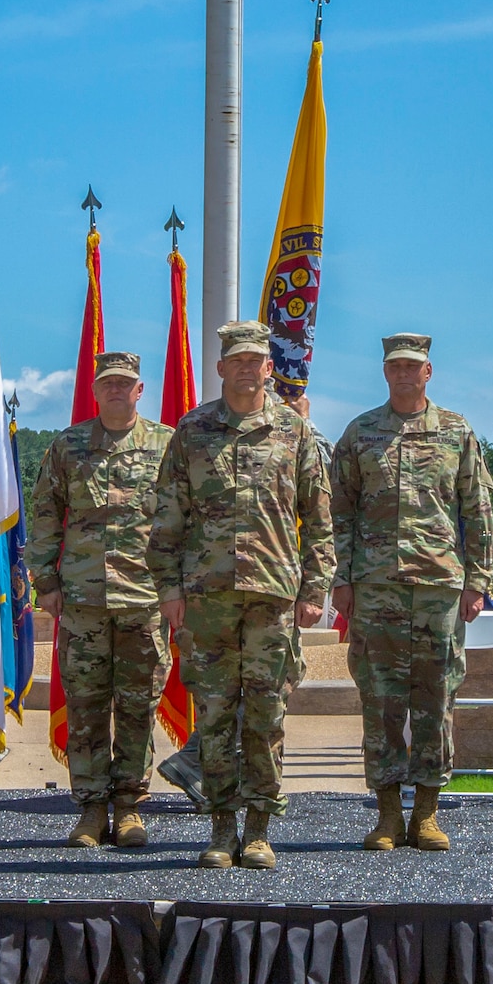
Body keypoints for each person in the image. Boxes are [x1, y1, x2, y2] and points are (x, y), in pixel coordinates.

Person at [148, 321, 334, 869]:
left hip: (273, 596)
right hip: (206, 598)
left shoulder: (293, 432)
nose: (248, 368)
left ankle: (258, 828)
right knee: (214, 712)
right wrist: (168, 589)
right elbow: (167, 519)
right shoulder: (193, 430)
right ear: (222, 368)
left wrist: (314, 586)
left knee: (266, 713)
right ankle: (220, 826)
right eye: (238, 360)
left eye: (257, 359)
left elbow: (319, 517)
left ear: (269, 368)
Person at [330, 333, 493, 851]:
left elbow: (478, 511)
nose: (404, 374)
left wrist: (479, 580)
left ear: (429, 373)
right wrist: (342, 577)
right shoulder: (360, 434)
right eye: (395, 367)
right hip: (376, 587)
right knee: (380, 702)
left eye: (413, 367)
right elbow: (337, 513)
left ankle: (426, 814)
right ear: (385, 373)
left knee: (436, 699)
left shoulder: (456, 432)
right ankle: (386, 816)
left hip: (439, 587)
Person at [27, 352, 174, 848]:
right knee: (87, 707)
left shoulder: (167, 445)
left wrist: (179, 587)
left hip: (145, 599)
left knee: (137, 707)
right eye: (108, 382)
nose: (116, 390)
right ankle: (90, 810)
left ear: (139, 390)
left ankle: (130, 807)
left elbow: (187, 517)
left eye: (125, 383)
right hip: (83, 601)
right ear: (95, 389)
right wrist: (44, 582)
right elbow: (45, 515)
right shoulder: (68, 447)